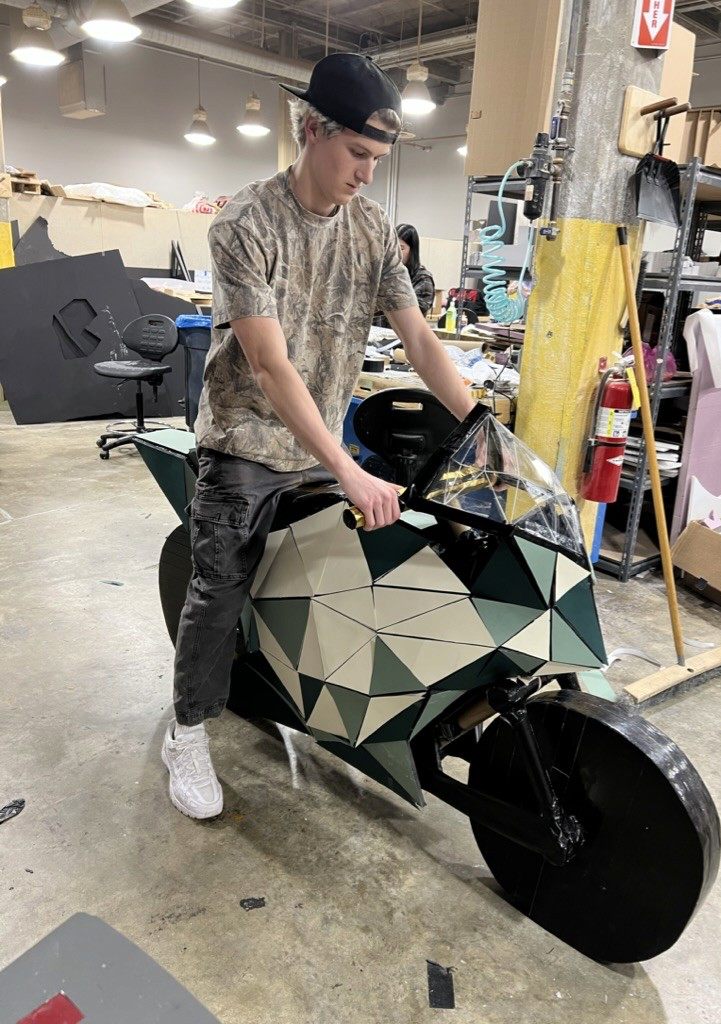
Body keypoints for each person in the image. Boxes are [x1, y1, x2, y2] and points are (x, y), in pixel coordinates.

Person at [161, 52, 477, 820]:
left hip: (319, 439)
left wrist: (482, 428)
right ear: (312, 130)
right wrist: (347, 469)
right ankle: (187, 730)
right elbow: (268, 365)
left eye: (378, 160)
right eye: (357, 154)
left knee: (368, 568)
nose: (367, 175)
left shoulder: (371, 230)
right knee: (219, 587)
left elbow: (420, 340)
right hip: (245, 440)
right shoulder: (245, 224)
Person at [396, 223, 435, 317]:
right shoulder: (388, 275)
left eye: (401, 248)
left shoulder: (423, 279)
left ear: (412, 250)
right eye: (392, 247)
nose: (395, 253)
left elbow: (411, 314)